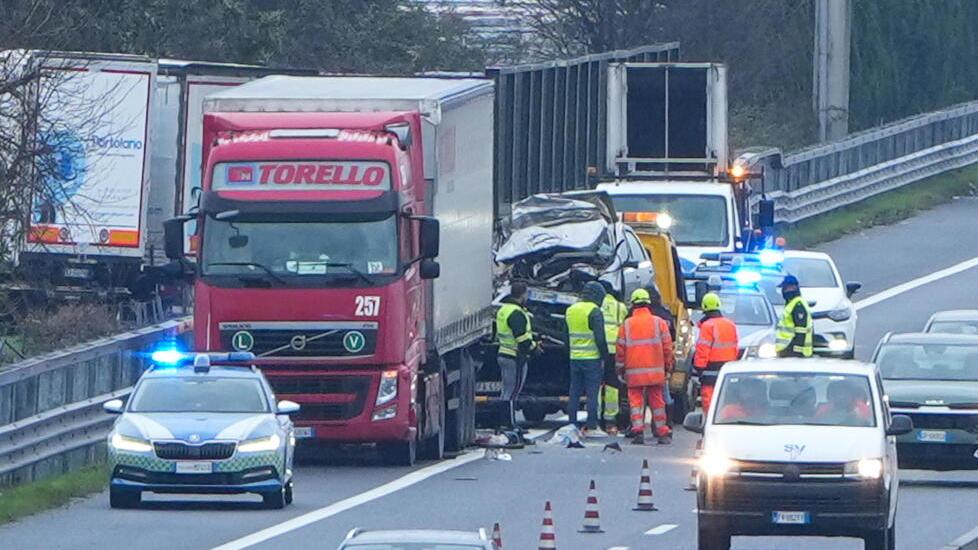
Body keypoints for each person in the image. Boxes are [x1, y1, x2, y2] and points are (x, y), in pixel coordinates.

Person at [616, 288, 675, 445]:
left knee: (635, 402)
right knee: (657, 402)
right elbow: (667, 348)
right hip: (656, 372)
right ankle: (663, 432)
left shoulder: (626, 325)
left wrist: (620, 370)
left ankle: (638, 432)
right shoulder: (659, 323)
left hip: (634, 373)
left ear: (633, 305)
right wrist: (668, 368)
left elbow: (620, 351)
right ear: (648, 304)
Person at [565, 281, 610, 436]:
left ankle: (572, 423)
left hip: (574, 358)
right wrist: (606, 357)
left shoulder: (570, 310)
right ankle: (591, 425)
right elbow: (600, 338)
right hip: (592, 359)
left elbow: (566, 336)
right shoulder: (594, 311)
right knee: (592, 394)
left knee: (574, 392)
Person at [495, 282, 539, 429]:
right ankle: (510, 425)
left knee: (506, 391)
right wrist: (534, 348)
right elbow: (522, 339)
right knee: (513, 392)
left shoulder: (504, 309)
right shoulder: (517, 313)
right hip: (514, 356)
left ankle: (503, 423)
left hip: (503, 353)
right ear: (523, 294)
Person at [693, 292, 739, 417]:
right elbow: (735, 347)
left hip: (710, 370)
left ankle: (709, 422)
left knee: (709, 399)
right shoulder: (730, 324)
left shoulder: (707, 326)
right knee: (726, 399)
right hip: (728, 368)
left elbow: (703, 349)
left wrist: (698, 368)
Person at [599, 281, 628, 434]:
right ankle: (610, 418)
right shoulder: (620, 307)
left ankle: (596, 418)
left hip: (598, 349)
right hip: (614, 349)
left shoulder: (596, 305)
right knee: (612, 385)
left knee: (596, 385)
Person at [775, 274, 813, 358]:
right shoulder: (791, 303)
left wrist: (796, 351)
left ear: (794, 287)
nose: (784, 291)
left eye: (785, 288)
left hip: (794, 352)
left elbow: (801, 330)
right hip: (786, 350)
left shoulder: (798, 304)